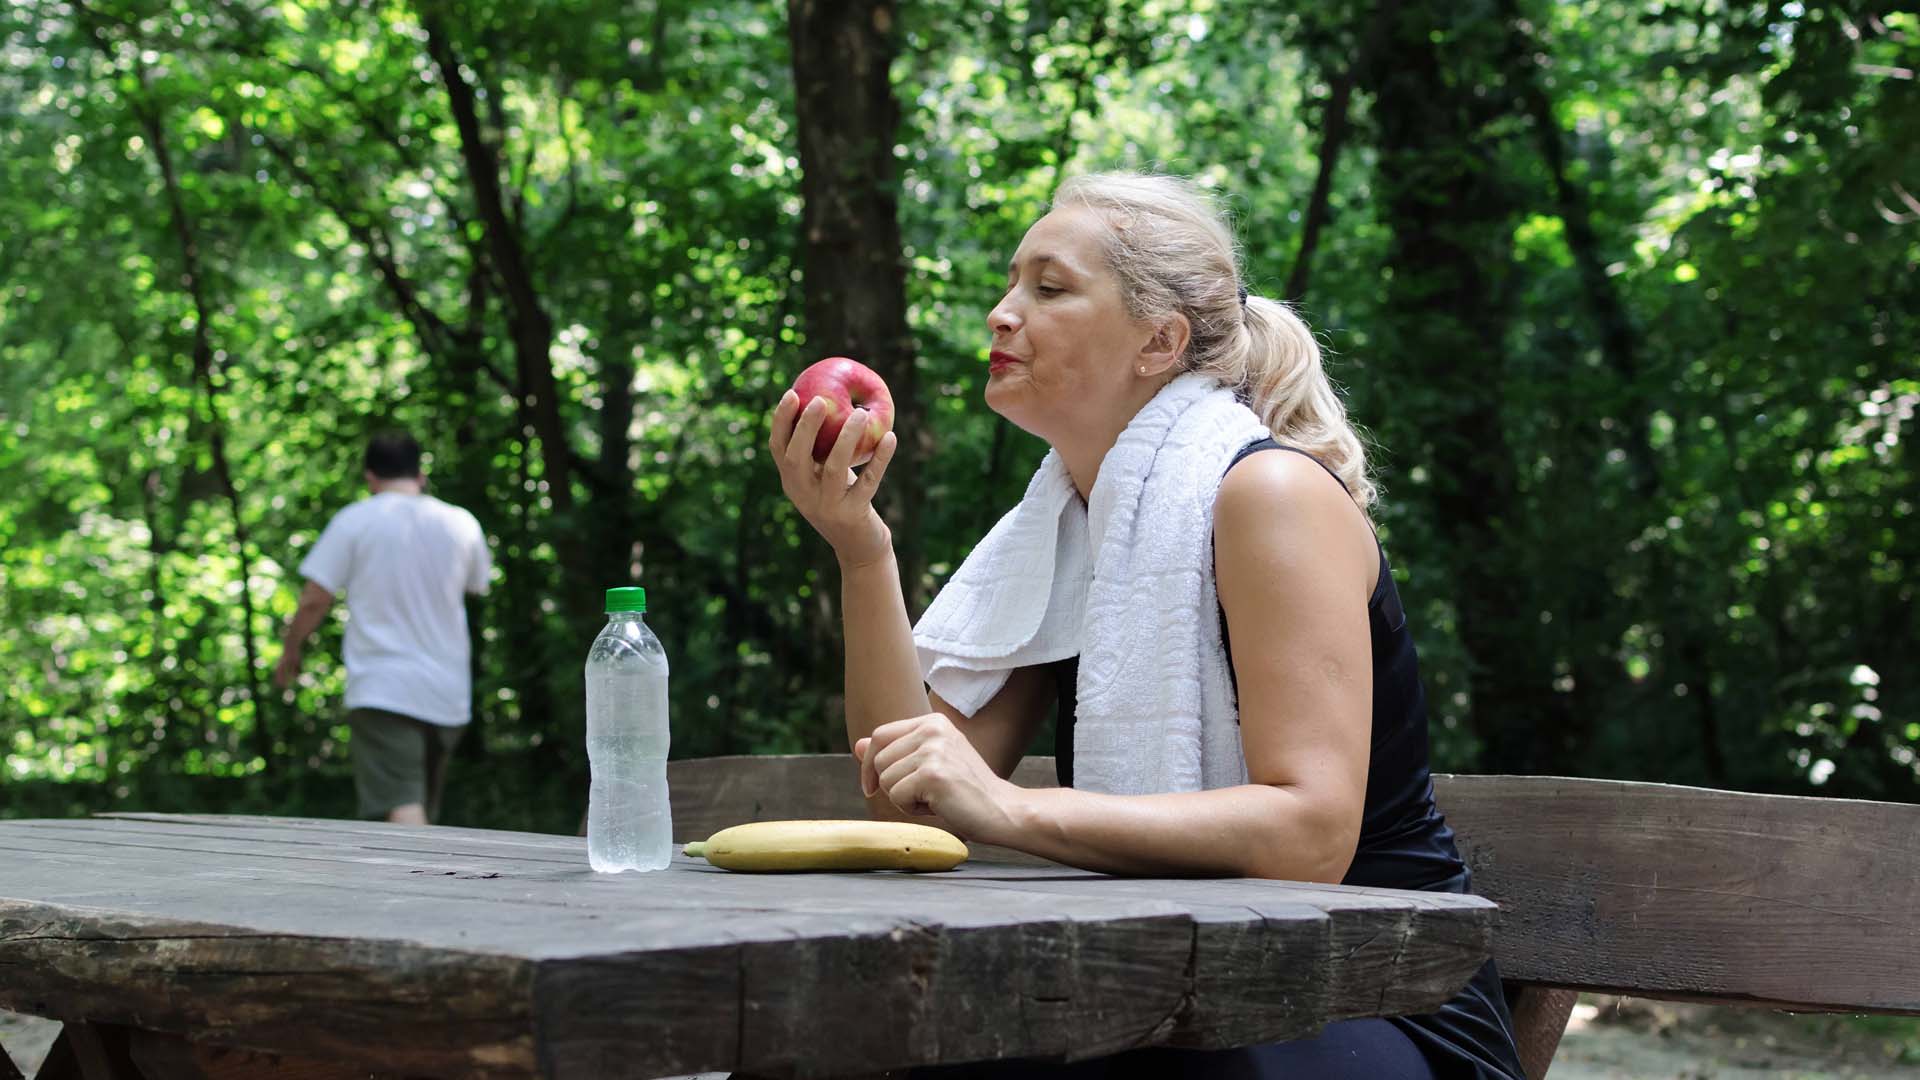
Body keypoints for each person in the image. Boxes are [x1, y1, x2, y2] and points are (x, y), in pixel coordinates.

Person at [768, 173, 1526, 1079]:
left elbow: (1309, 836)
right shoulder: (1060, 531)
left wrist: (1011, 808)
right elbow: (906, 804)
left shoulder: (1267, 494)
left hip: (1379, 1000)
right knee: (826, 1046)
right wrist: (861, 552)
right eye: (1012, 284)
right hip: (1162, 983)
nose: (1002, 314)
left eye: (1049, 288)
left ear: (1159, 341)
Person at [272, 431, 491, 826]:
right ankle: (426, 883)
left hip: (385, 686)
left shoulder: (355, 521)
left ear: (369, 477)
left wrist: (291, 649)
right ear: (421, 474)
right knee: (418, 807)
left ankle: (424, 887)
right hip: (448, 691)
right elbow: (477, 587)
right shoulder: (461, 523)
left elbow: (314, 598)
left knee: (403, 807)